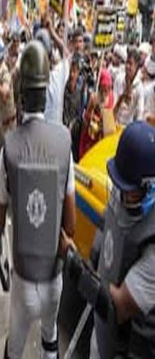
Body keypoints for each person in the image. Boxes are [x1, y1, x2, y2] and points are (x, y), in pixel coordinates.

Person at [0, 41, 77, 359]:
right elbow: (70, 225)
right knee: (50, 339)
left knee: (13, 349)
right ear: (45, 94)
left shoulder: (9, 147)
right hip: (54, 279)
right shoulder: (64, 142)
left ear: (22, 94)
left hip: (24, 280)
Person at [63, 121, 155, 358]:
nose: (120, 195)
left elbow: (118, 308)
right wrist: (96, 256)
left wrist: (74, 264)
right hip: (102, 333)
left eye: (129, 191)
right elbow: (108, 220)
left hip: (130, 347)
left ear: (149, 188)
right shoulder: (125, 190)